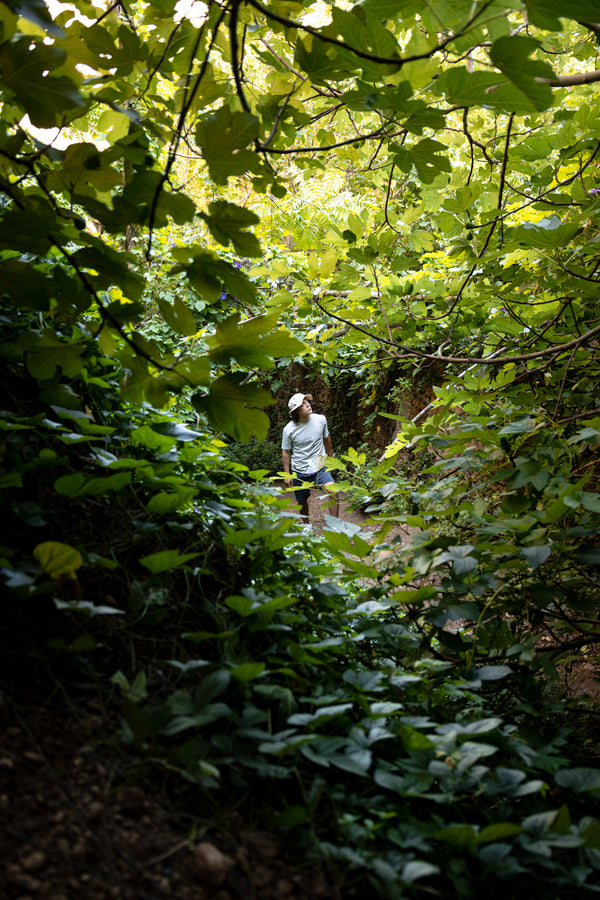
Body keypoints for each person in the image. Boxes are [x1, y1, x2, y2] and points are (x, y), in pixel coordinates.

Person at [281, 392, 339, 524]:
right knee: (302, 500)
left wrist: (331, 456)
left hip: (319, 464)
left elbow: (326, 438)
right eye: (303, 404)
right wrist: (286, 474)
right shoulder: (289, 430)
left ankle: (336, 525)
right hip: (299, 468)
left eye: (307, 401)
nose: (308, 405)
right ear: (296, 411)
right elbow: (285, 451)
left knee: (333, 491)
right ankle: (306, 525)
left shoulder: (320, 420)